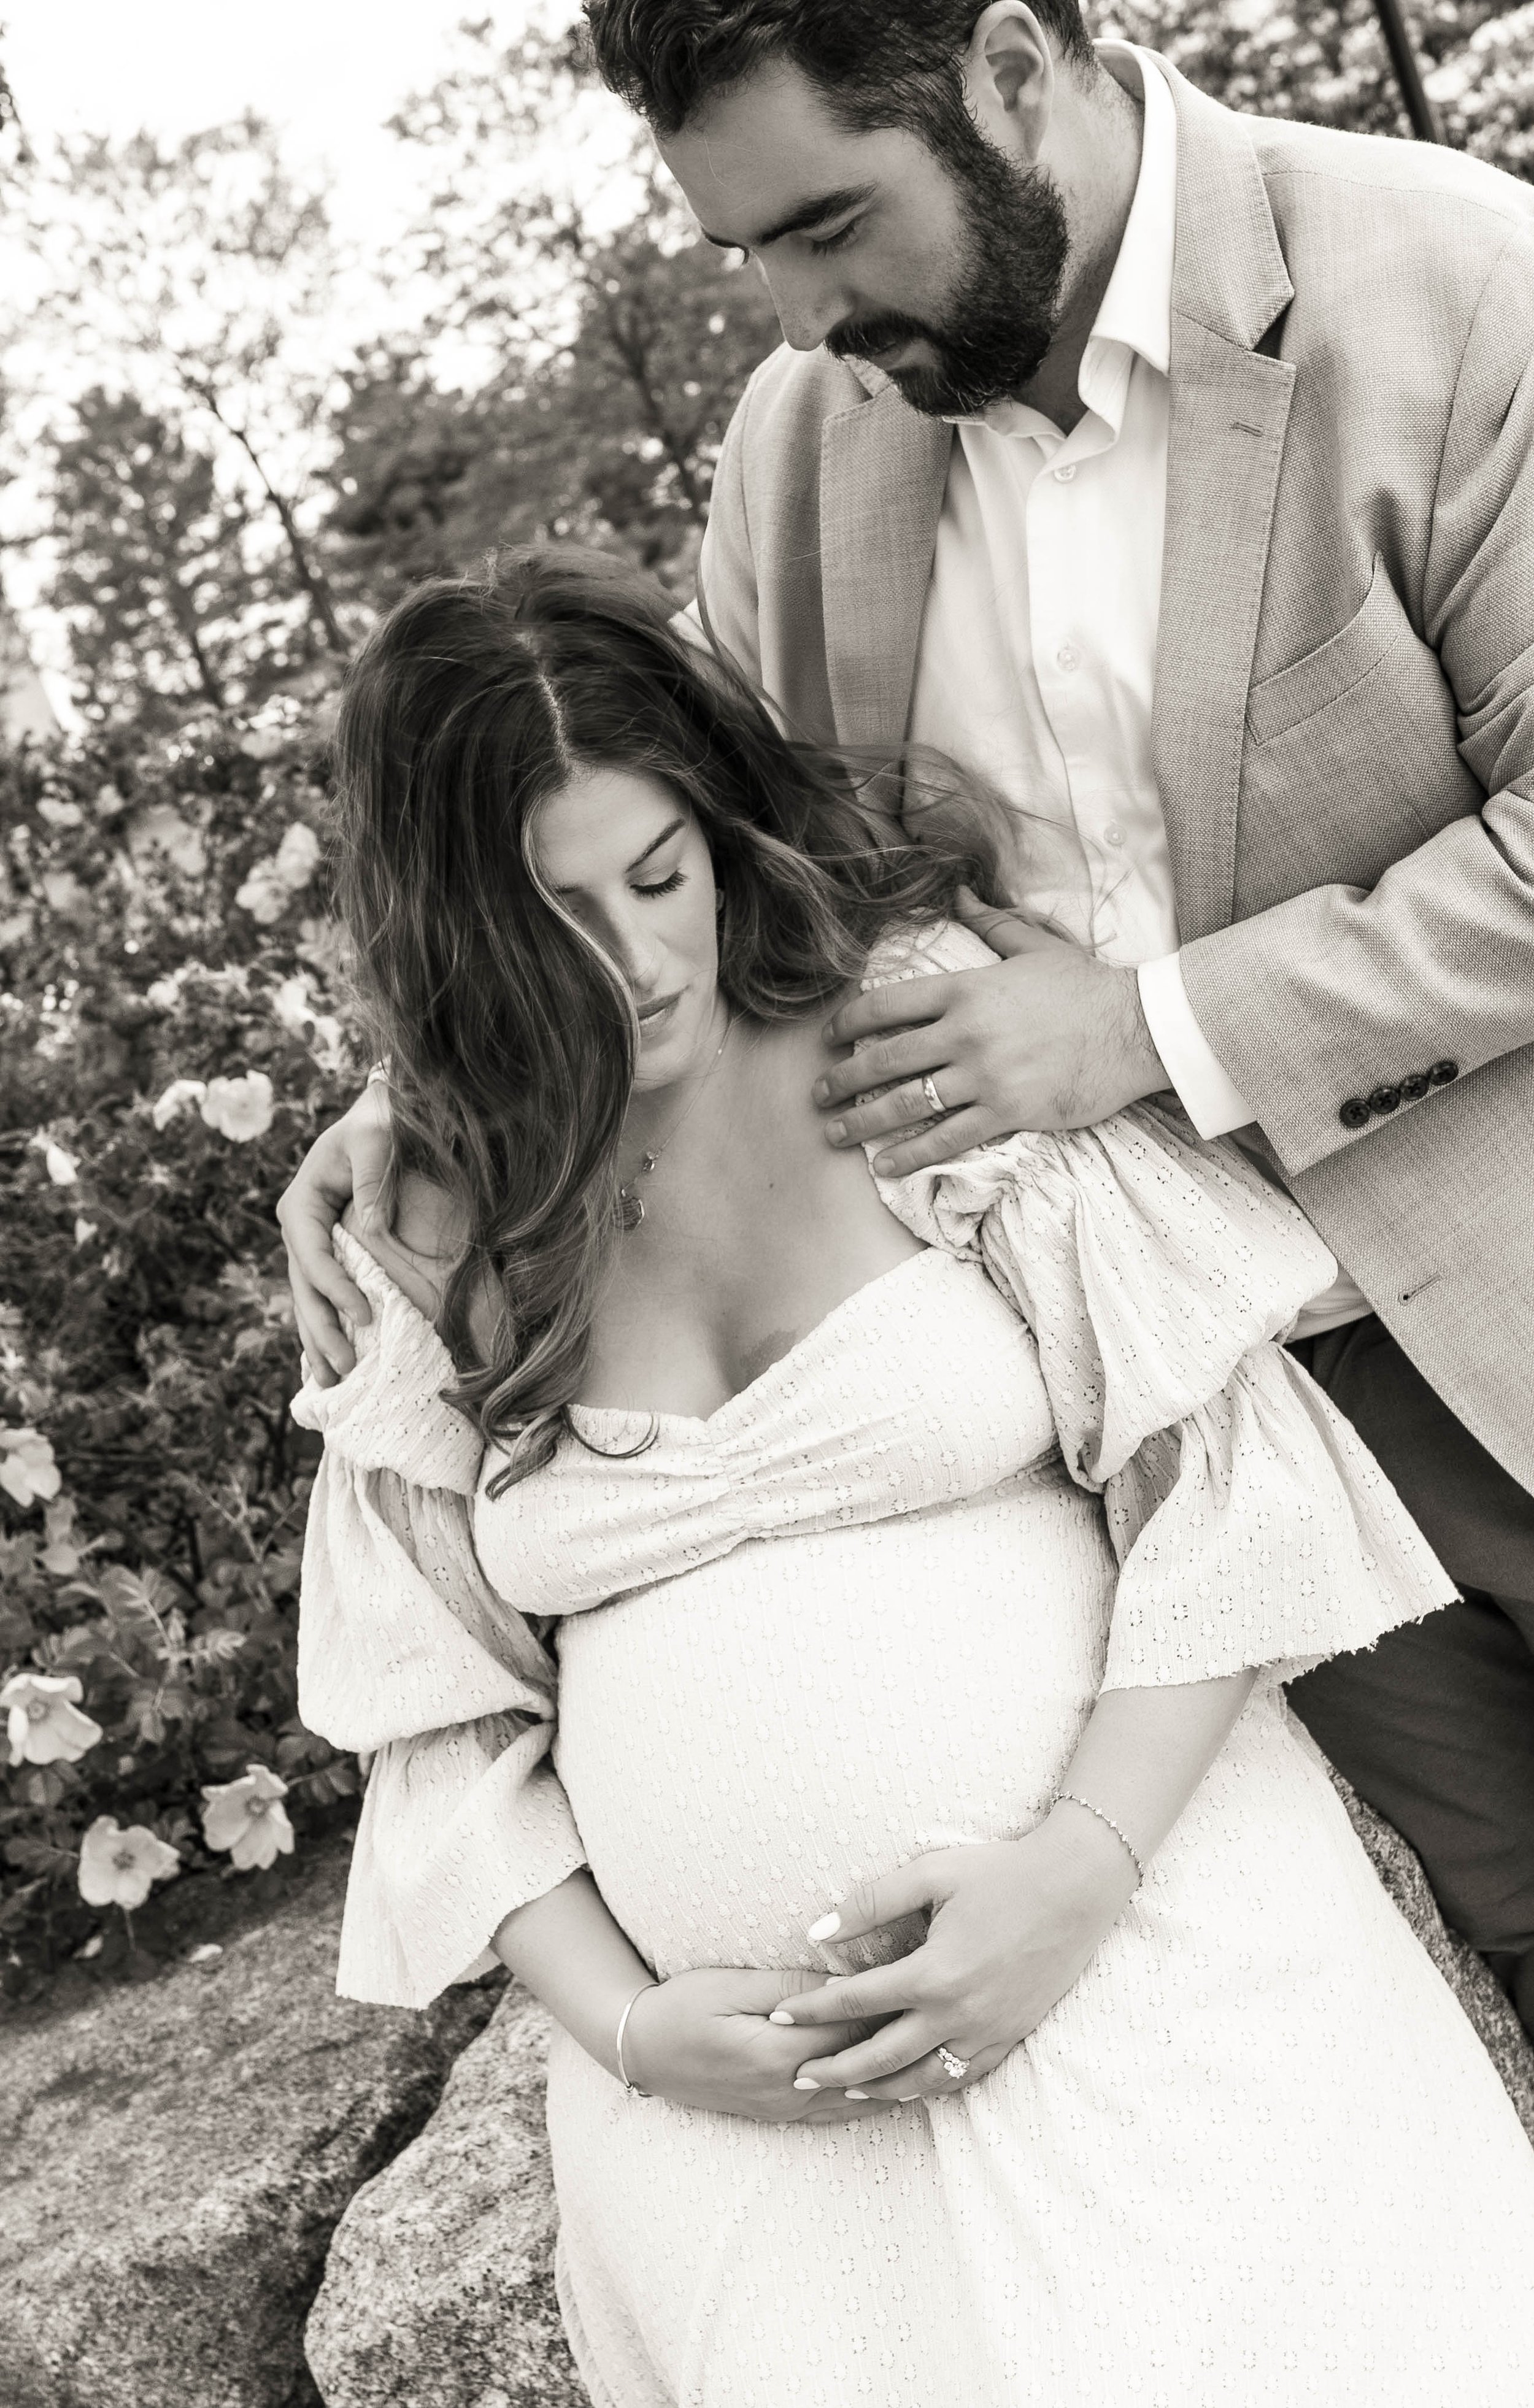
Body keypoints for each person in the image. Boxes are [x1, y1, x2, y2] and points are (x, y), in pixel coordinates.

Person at [279, 1, 1534, 2038]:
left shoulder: (1455, 289)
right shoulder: (809, 442)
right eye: (746, 254)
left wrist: (1152, 1030)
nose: (793, 316)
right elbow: (650, 811)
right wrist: (423, 1078)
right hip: (1215, 1408)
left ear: (1015, 65)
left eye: (830, 225)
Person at [294, 547, 1534, 2407]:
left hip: (1148, 1965)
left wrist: (1073, 1874)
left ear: (712, 834)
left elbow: (1223, 1478)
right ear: (456, 929)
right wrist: (631, 2030)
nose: (634, 961)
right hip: (745, 2137)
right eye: (553, 915)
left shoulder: (904, 1041)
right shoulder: (419, 1228)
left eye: (659, 878)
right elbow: (440, 1723)